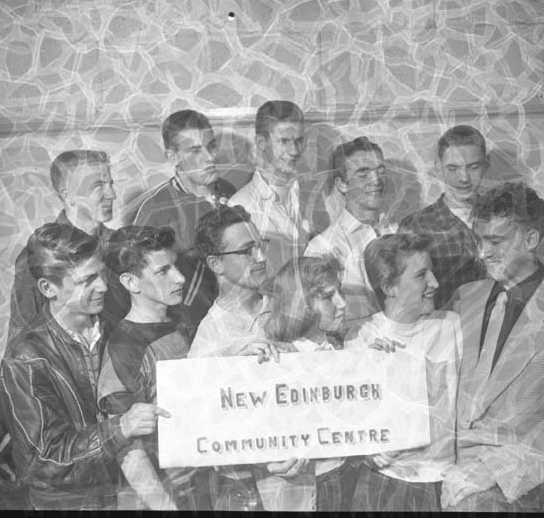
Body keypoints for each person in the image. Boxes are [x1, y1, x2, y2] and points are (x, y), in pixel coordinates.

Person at [442, 182, 544, 512]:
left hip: (520, 473)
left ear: (531, 240)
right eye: (480, 240)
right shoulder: (466, 296)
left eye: (496, 241)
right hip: (447, 455)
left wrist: (493, 470)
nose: (483, 253)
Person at [0, 223, 169, 510]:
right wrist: (121, 427)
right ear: (48, 288)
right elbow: (44, 461)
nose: (103, 286)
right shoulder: (24, 360)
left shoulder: (117, 328)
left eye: (101, 274)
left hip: (129, 493)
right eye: (86, 280)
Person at [188, 205, 300, 511]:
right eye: (246, 251)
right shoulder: (209, 338)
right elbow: (202, 428)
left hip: (305, 487)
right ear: (216, 264)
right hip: (246, 495)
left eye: (261, 245)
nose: (261, 257)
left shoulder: (288, 307)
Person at [346, 233, 463, 512]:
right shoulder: (361, 337)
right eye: (421, 275)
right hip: (384, 485)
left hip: (445, 483)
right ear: (389, 287)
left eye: (432, 271)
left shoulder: (452, 325)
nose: (435, 282)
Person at [97, 225, 211, 510]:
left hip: (201, 485)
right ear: (131, 282)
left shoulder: (181, 321)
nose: (180, 277)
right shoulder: (125, 348)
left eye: (176, 265)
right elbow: (128, 449)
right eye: (163, 271)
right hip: (163, 498)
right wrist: (165, 506)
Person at [264, 256, 362, 511]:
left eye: (339, 292)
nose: (342, 303)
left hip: (345, 475)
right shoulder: (273, 361)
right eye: (328, 297)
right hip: (303, 488)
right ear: (300, 305)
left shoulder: (344, 349)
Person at [134, 109, 236, 338]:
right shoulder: (155, 209)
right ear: (173, 157)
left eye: (211, 146)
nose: (209, 157)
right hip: (185, 329)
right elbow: (143, 283)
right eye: (195, 150)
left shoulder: (231, 192)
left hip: (234, 319)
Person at [8, 149, 117, 342]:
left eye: (111, 184)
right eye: (98, 186)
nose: (112, 194)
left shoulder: (120, 245)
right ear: (68, 195)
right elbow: (22, 336)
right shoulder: (38, 257)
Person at [305, 137, 397, 329]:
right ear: (342, 184)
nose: (376, 180)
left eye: (381, 171)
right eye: (363, 174)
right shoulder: (321, 248)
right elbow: (321, 320)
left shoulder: (399, 232)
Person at [399, 125, 488, 309]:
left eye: (473, 167)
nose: (464, 178)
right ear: (439, 168)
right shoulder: (415, 227)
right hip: (441, 325)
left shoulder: (502, 218)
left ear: (485, 165)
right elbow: (408, 298)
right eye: (453, 168)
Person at [229, 100, 310, 275]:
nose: (294, 150)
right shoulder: (241, 206)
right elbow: (241, 276)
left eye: (299, 140)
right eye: (284, 141)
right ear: (261, 142)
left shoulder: (307, 194)